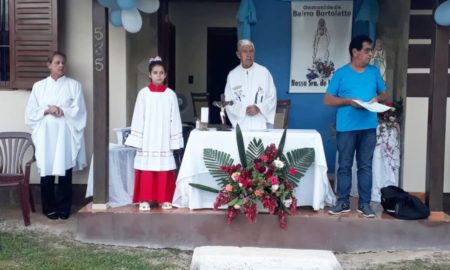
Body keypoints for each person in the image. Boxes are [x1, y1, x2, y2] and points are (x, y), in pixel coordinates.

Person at [324, 35, 387, 218]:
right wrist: (348, 101)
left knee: (365, 166)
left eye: (371, 50)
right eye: (367, 50)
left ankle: (364, 204)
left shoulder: (374, 72)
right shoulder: (341, 73)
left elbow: (384, 94)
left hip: (368, 126)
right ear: (355, 52)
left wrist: (377, 98)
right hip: (347, 127)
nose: (370, 54)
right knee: (344, 165)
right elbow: (327, 99)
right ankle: (342, 201)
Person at [25, 51, 87, 220]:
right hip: (46, 135)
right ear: (49, 65)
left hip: (65, 134)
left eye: (63, 63)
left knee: (65, 170)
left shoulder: (74, 85)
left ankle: (64, 207)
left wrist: (62, 110)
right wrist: (47, 109)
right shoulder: (39, 87)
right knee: (47, 169)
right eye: (57, 62)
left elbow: (79, 110)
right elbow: (30, 112)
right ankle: (49, 207)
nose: (61, 65)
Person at [125, 56, 183, 211]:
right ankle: (144, 198)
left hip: (164, 138)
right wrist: (138, 139)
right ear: (149, 74)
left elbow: (175, 119)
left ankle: (165, 198)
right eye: (155, 72)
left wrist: (174, 140)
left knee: (164, 168)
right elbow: (138, 117)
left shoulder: (170, 94)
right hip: (148, 138)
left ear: (165, 75)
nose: (158, 75)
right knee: (147, 167)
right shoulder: (143, 94)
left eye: (161, 72)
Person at [224, 39, 277, 130]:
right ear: (238, 55)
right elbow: (228, 101)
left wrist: (259, 108)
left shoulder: (264, 72)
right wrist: (243, 110)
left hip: (260, 124)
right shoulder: (232, 75)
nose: (249, 55)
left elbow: (272, 97)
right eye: (245, 51)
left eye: (251, 51)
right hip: (241, 125)